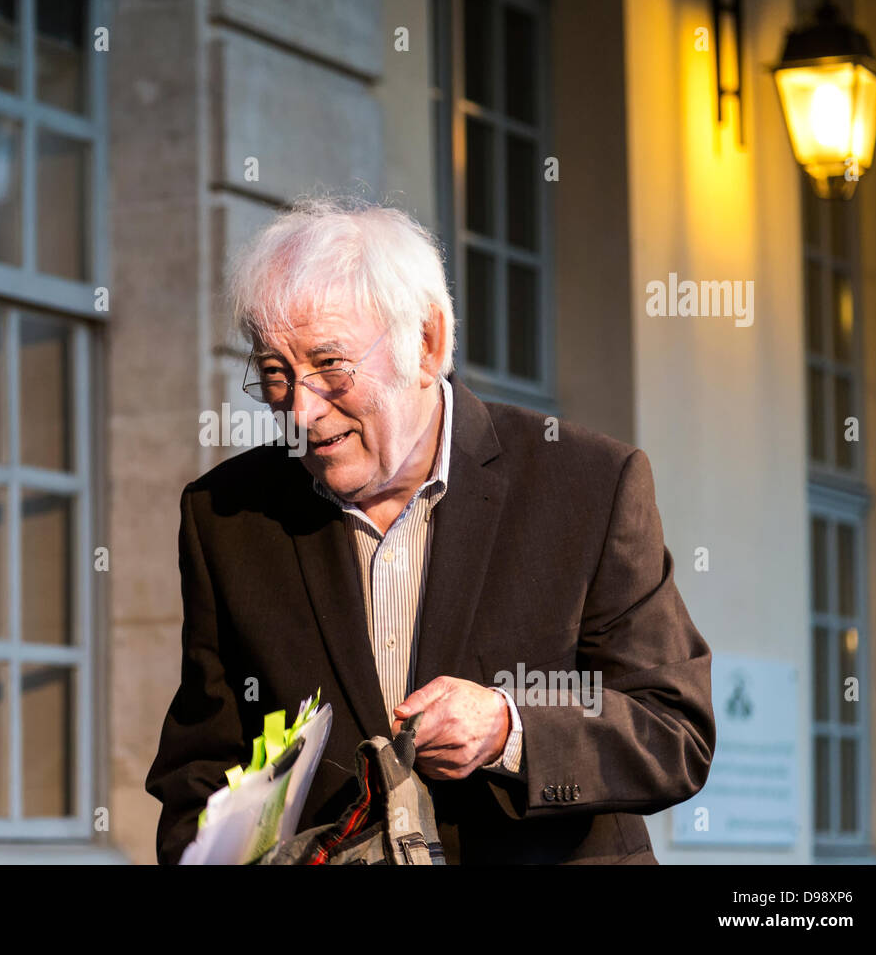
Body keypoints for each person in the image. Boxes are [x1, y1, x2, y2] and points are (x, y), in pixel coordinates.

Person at [145, 197, 714, 864]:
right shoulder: (226, 517)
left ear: (427, 343)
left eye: (330, 365)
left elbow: (674, 732)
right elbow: (199, 772)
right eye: (275, 373)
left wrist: (509, 731)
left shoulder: (589, 484)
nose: (300, 409)